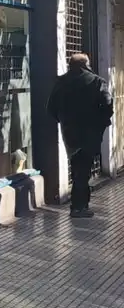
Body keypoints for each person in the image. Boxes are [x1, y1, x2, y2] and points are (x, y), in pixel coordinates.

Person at [47, 53, 114, 218]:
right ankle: (79, 207)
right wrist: (100, 123)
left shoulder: (61, 83)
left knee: (77, 167)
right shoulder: (97, 82)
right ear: (86, 65)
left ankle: (79, 205)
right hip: (90, 134)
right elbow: (108, 105)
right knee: (84, 171)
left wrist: (64, 121)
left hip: (70, 134)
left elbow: (51, 108)